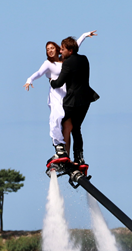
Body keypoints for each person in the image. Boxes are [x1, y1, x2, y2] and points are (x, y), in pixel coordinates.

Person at [24, 31, 97, 161]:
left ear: (59, 49)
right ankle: (59, 147)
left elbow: (75, 46)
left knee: (70, 126)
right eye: (47, 49)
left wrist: (84, 35)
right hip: (56, 93)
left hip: (67, 93)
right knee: (57, 117)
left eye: (53, 48)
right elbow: (39, 72)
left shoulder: (65, 60)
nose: (50, 51)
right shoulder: (48, 63)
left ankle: (68, 155)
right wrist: (30, 80)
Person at [50, 36, 99, 166]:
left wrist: (51, 81)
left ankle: (61, 152)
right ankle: (79, 157)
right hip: (86, 99)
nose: (60, 51)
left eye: (63, 49)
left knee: (59, 122)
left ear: (70, 50)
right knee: (76, 128)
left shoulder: (68, 62)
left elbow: (60, 82)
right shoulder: (84, 59)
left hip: (73, 101)